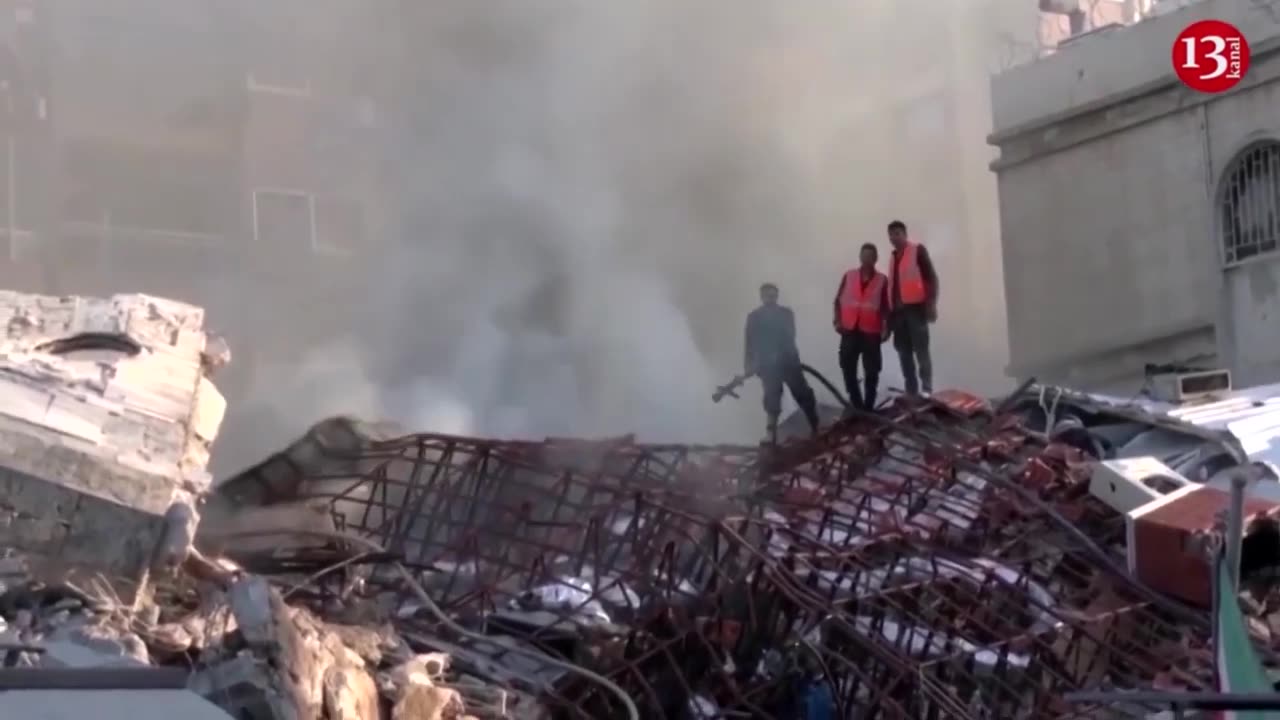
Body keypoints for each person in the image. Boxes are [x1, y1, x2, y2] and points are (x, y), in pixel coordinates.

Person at [743, 282, 820, 441]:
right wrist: (749, 364)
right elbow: (749, 342)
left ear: (776, 296)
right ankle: (771, 436)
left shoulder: (786, 314)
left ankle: (815, 425)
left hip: (789, 363)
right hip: (768, 368)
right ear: (762, 297)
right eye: (767, 296)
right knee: (772, 399)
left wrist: (777, 353)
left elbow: (789, 335)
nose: (770, 299)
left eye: (773, 296)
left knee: (803, 394)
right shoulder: (753, 317)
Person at [833, 243, 890, 413]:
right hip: (849, 330)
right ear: (860, 257)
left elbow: (887, 307)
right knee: (847, 367)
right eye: (864, 255)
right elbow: (838, 300)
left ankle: (868, 407)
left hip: (871, 332)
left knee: (872, 372)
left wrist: (886, 328)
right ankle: (857, 405)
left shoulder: (882, 280)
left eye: (870, 256)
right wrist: (837, 321)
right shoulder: (849, 276)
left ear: (875, 259)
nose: (866, 259)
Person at [886, 220, 939, 397]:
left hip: (916, 309)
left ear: (905, 234)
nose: (894, 238)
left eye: (897, 234)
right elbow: (893, 287)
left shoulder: (917, 251)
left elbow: (931, 278)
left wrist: (931, 303)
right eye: (891, 235)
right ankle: (911, 390)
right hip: (899, 314)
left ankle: (927, 388)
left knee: (921, 350)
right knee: (903, 353)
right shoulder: (893, 257)